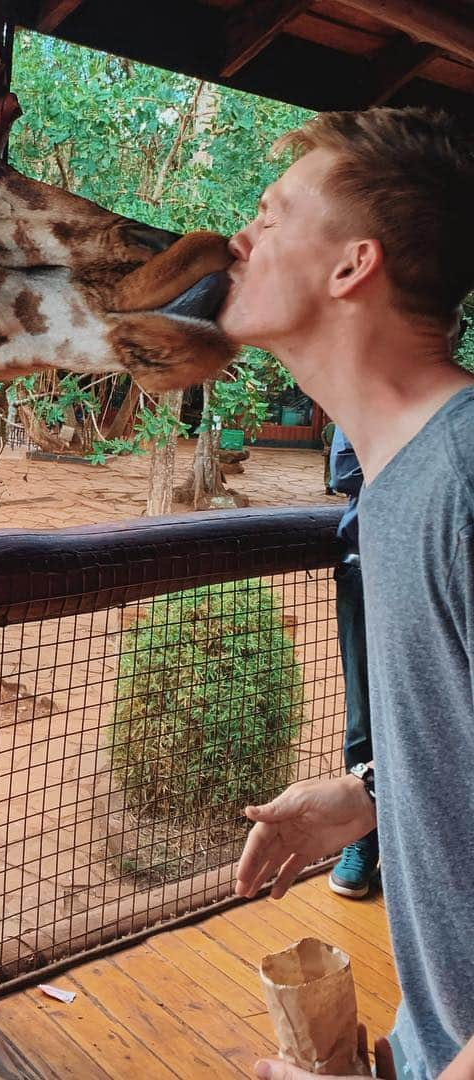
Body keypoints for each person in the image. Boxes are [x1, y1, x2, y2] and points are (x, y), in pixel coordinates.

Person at [218, 108, 474, 1080]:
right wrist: (371, 795)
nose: (243, 235)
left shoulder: (464, 484)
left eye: (275, 213)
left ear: (350, 266)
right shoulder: (402, 486)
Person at [327, 425, 378, 899]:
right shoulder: (352, 402)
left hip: (435, 566)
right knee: (361, 714)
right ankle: (362, 840)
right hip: (364, 571)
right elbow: (342, 472)